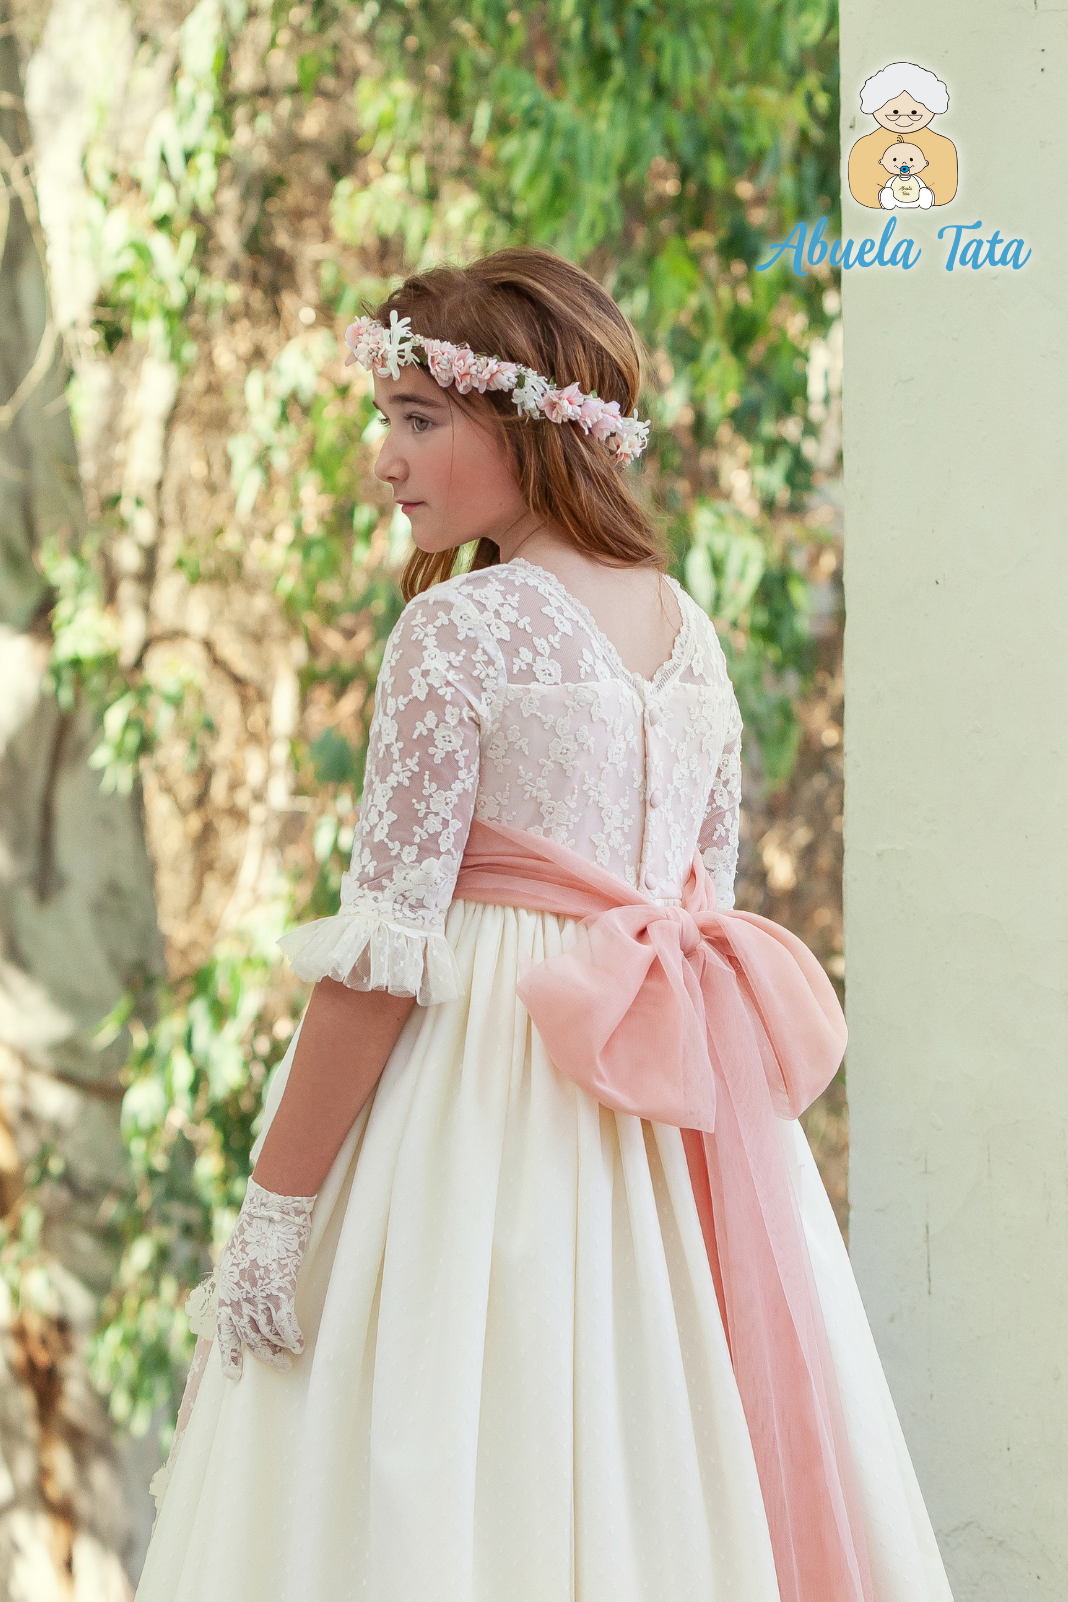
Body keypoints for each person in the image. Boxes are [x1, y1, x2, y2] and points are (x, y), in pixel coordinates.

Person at [135, 248, 954, 1602]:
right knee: (654, 1449)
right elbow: (698, 901)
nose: (384, 462)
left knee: (451, 1445)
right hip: (659, 1131)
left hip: (479, 1101)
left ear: (530, 420)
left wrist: (275, 1217)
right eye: (385, 421)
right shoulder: (692, 638)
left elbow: (383, 959)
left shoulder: (457, 631)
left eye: (417, 419)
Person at [847, 61, 958, 209]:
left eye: (914, 113)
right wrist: (884, 198)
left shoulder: (943, 147)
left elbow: (946, 190)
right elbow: (861, 190)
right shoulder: (864, 147)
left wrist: (926, 197)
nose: (904, 119)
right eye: (894, 113)